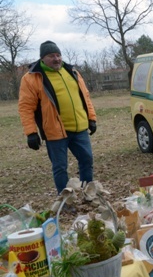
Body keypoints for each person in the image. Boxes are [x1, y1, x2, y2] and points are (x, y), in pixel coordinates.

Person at [18, 40, 97, 194]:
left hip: (79, 128)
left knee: (87, 160)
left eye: (58, 55)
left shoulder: (71, 71)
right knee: (60, 168)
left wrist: (91, 118)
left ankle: (89, 194)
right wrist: (31, 132)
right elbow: (26, 107)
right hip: (55, 132)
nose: (56, 59)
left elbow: (85, 96)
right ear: (42, 58)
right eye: (51, 56)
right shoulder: (32, 77)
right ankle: (65, 201)